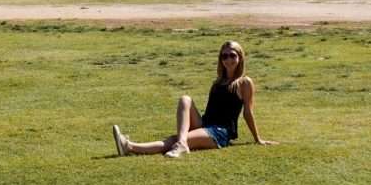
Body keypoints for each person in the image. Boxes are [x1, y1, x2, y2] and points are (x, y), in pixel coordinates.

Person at [111, 40, 276, 158]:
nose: (228, 60)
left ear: (240, 57)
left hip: (220, 132)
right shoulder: (218, 82)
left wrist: (257, 139)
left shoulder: (244, 83)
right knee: (185, 99)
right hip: (205, 123)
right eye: (224, 56)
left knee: (175, 140)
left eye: (232, 55)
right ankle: (178, 144)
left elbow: (248, 112)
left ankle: (130, 146)